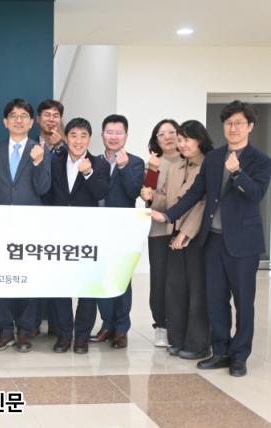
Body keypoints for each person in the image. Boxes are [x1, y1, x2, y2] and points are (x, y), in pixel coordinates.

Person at [151, 100, 271, 377]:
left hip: (243, 244)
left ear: (250, 126)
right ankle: (220, 351)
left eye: (238, 123)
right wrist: (168, 216)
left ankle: (239, 356)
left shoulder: (261, 160)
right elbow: (196, 193)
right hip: (213, 241)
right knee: (216, 300)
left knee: (243, 302)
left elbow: (257, 194)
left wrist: (238, 172)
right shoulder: (214, 158)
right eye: (228, 123)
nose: (233, 128)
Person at [0, 98, 50, 353]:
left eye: (24, 116)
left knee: (28, 277)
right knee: (2, 278)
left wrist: (38, 163)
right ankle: (4, 331)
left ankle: (25, 331)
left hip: (30, 225)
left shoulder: (39, 150)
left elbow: (43, 188)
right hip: (0, 225)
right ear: (5, 121)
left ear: (32, 122)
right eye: (13, 116)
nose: (18, 120)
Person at [142, 120, 213, 360]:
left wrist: (186, 232)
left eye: (184, 138)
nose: (181, 143)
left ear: (199, 139)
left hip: (197, 236)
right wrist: (151, 201)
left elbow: (202, 203)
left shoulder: (208, 165)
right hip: (173, 234)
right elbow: (165, 199)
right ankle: (178, 339)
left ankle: (198, 343)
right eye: (179, 140)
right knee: (176, 290)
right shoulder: (175, 168)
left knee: (197, 291)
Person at [48, 117, 110, 354]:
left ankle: (82, 337)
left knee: (87, 288)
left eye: (83, 136)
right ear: (66, 138)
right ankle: (64, 336)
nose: (78, 141)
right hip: (59, 233)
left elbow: (101, 192)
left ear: (90, 139)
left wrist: (88, 173)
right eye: (73, 135)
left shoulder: (99, 164)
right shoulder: (55, 161)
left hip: (88, 234)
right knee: (61, 287)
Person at [91, 114, 144, 349]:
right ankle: (107, 324)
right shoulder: (93, 161)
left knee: (121, 278)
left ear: (126, 135)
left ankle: (121, 329)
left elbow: (133, 192)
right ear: (102, 135)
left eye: (118, 132)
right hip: (98, 229)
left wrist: (122, 167)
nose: (113, 137)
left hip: (123, 230)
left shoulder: (135, 163)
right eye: (109, 132)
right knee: (101, 277)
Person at [143, 119, 181, 348]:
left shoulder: (190, 159)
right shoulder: (154, 163)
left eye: (171, 132)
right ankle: (161, 325)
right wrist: (152, 171)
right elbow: (148, 198)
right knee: (159, 279)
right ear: (156, 140)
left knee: (180, 281)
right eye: (161, 134)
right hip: (158, 230)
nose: (167, 136)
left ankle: (179, 326)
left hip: (184, 229)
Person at [33, 99, 65, 337]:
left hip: (60, 217)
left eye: (55, 115)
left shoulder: (69, 147)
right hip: (35, 214)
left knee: (58, 273)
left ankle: (57, 323)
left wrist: (60, 147)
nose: (51, 119)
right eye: (47, 115)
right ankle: (32, 323)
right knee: (34, 271)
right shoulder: (29, 146)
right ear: (38, 119)